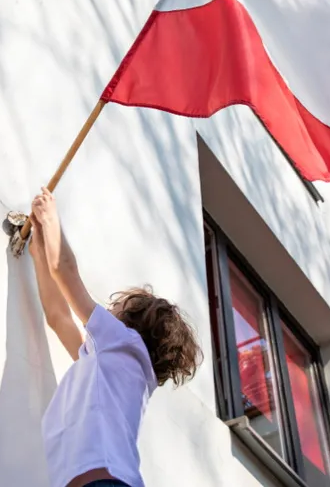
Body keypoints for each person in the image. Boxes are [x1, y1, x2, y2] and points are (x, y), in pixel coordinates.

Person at [28, 187, 202, 487]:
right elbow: (58, 317)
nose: (109, 308)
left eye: (116, 306)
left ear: (131, 322)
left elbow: (65, 271)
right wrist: (39, 251)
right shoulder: (111, 365)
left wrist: (51, 218)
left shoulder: (124, 341)